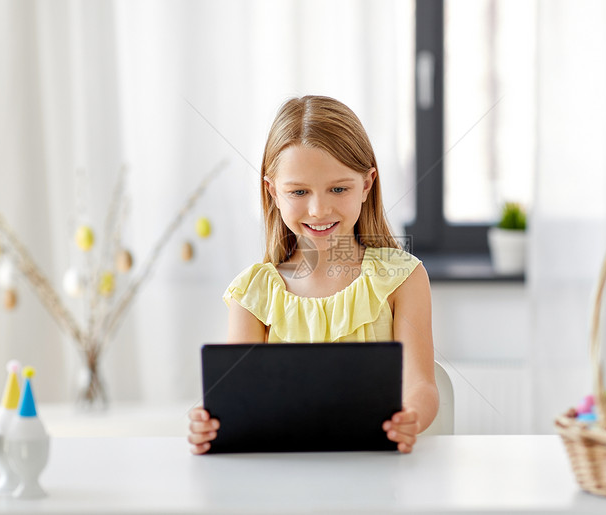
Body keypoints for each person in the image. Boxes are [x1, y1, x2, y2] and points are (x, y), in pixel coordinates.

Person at [188, 95, 438, 454]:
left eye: (339, 188)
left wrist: (411, 415)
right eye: (299, 192)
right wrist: (209, 422)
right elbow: (236, 399)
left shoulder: (402, 278)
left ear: (367, 185)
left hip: (375, 473)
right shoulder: (253, 294)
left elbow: (421, 385)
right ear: (272, 191)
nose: (319, 209)